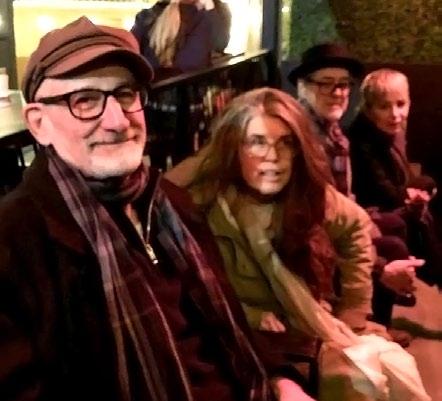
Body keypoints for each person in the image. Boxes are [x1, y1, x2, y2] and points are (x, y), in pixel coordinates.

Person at [0, 17, 316, 401]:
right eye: (84, 100)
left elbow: (227, 327)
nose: (117, 121)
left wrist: (281, 380)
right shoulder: (16, 242)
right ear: (38, 123)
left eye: (126, 94)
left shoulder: (169, 202)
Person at [165, 87, 431, 401]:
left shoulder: (305, 192)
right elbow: (191, 289)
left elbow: (355, 227)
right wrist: (251, 314)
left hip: (310, 324)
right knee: (356, 378)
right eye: (257, 141)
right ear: (234, 147)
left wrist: (354, 312)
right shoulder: (204, 202)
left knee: (390, 370)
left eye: (286, 142)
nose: (273, 156)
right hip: (247, 340)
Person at [288, 46, 424, 345]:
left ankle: (375, 320)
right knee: (392, 241)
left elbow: (345, 204)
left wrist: (369, 226)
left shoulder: (334, 134)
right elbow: (317, 228)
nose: (337, 92)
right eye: (325, 83)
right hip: (306, 250)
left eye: (343, 84)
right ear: (302, 87)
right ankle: (362, 326)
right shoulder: (302, 139)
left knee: (392, 227)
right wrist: (381, 267)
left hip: (337, 230)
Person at [348, 68, 442, 288]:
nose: (395, 113)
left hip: (393, 202)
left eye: (401, 104)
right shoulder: (361, 141)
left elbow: (402, 175)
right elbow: (385, 192)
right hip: (372, 210)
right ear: (369, 109)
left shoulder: (394, 130)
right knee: (417, 215)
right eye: (384, 107)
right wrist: (414, 191)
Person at [131, 0, 231, 75]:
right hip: (181, 86)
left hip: (151, 85)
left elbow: (130, 51)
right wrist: (210, 10)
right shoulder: (204, 17)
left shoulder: (147, 16)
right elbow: (219, 44)